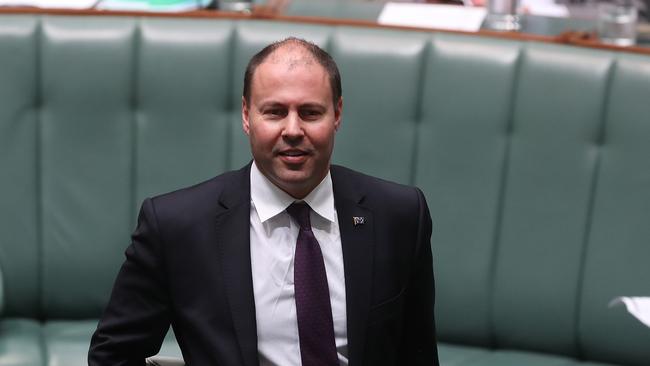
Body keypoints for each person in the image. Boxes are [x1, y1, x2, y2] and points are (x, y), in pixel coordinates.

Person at [89, 37, 439, 366]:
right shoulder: (176, 227)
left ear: (337, 114)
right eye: (274, 112)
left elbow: (418, 355)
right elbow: (113, 357)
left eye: (310, 112)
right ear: (246, 115)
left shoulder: (400, 216)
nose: (292, 130)